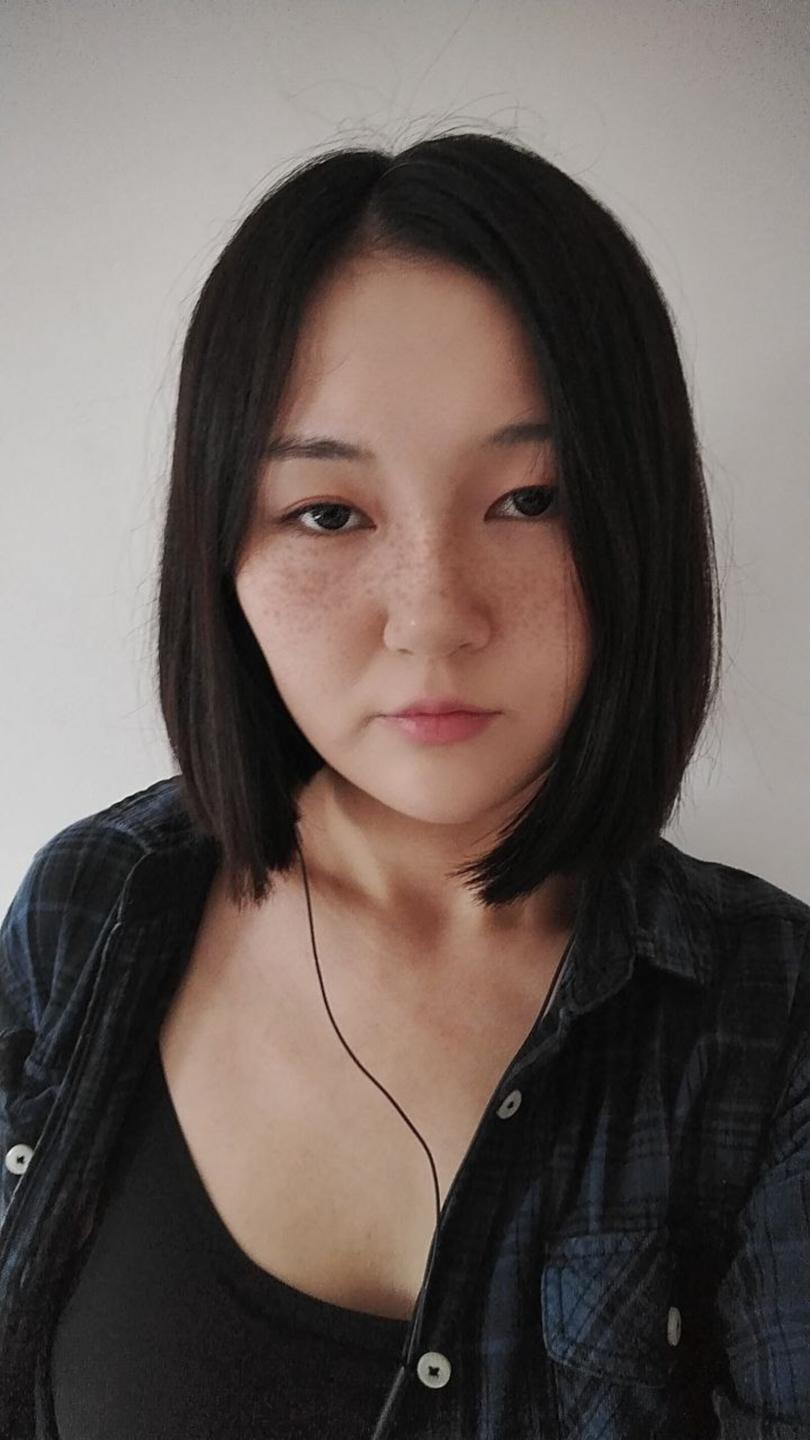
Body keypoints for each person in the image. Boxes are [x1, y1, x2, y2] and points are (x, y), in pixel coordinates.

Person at [1, 129, 808, 1440]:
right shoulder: (91, 909)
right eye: (327, 513)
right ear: (219, 550)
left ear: (641, 522)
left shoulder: (770, 1020)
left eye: (532, 499)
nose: (432, 618)